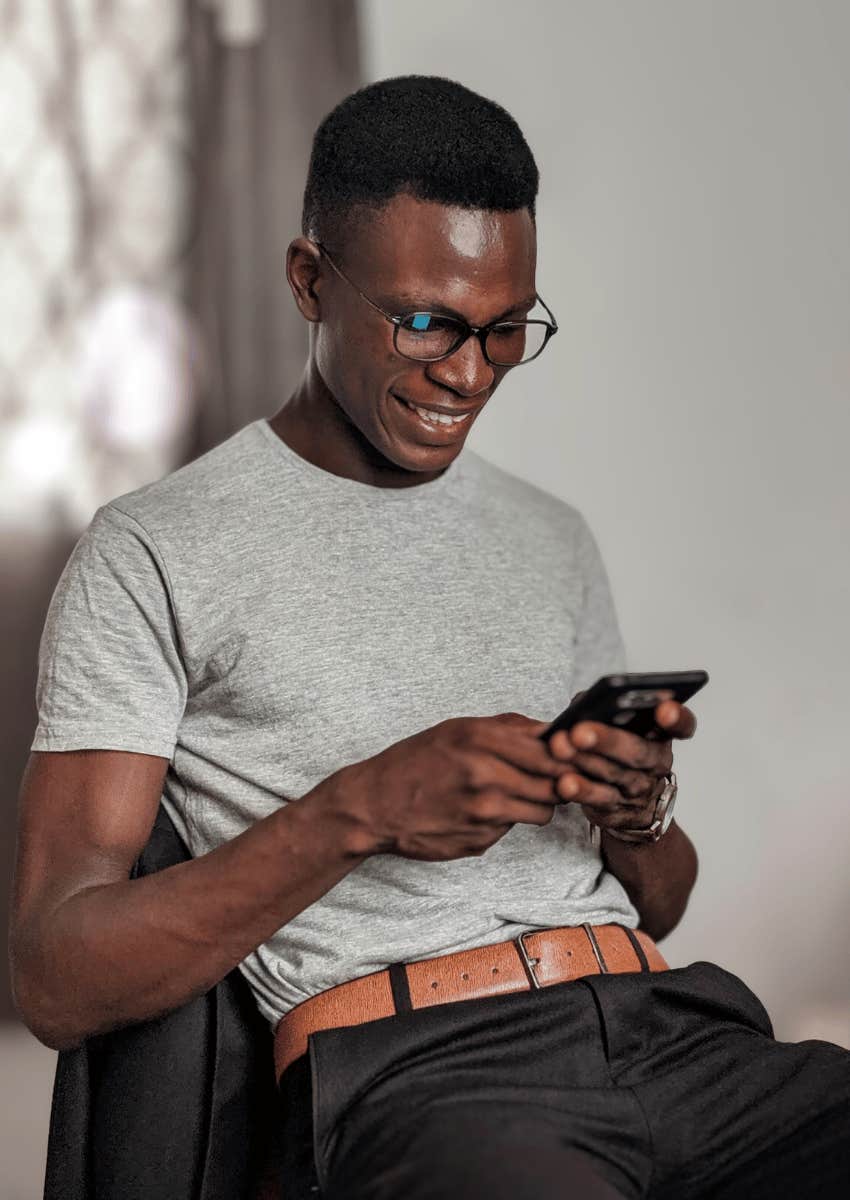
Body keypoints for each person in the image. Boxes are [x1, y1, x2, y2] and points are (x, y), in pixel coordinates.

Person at [10, 75, 849, 1200]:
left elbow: (659, 899)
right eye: (427, 323)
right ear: (311, 281)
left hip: (673, 1031)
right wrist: (361, 810)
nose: (469, 374)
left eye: (507, 331)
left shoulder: (549, 536)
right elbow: (57, 974)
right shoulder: (152, 553)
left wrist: (634, 804)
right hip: (432, 1076)